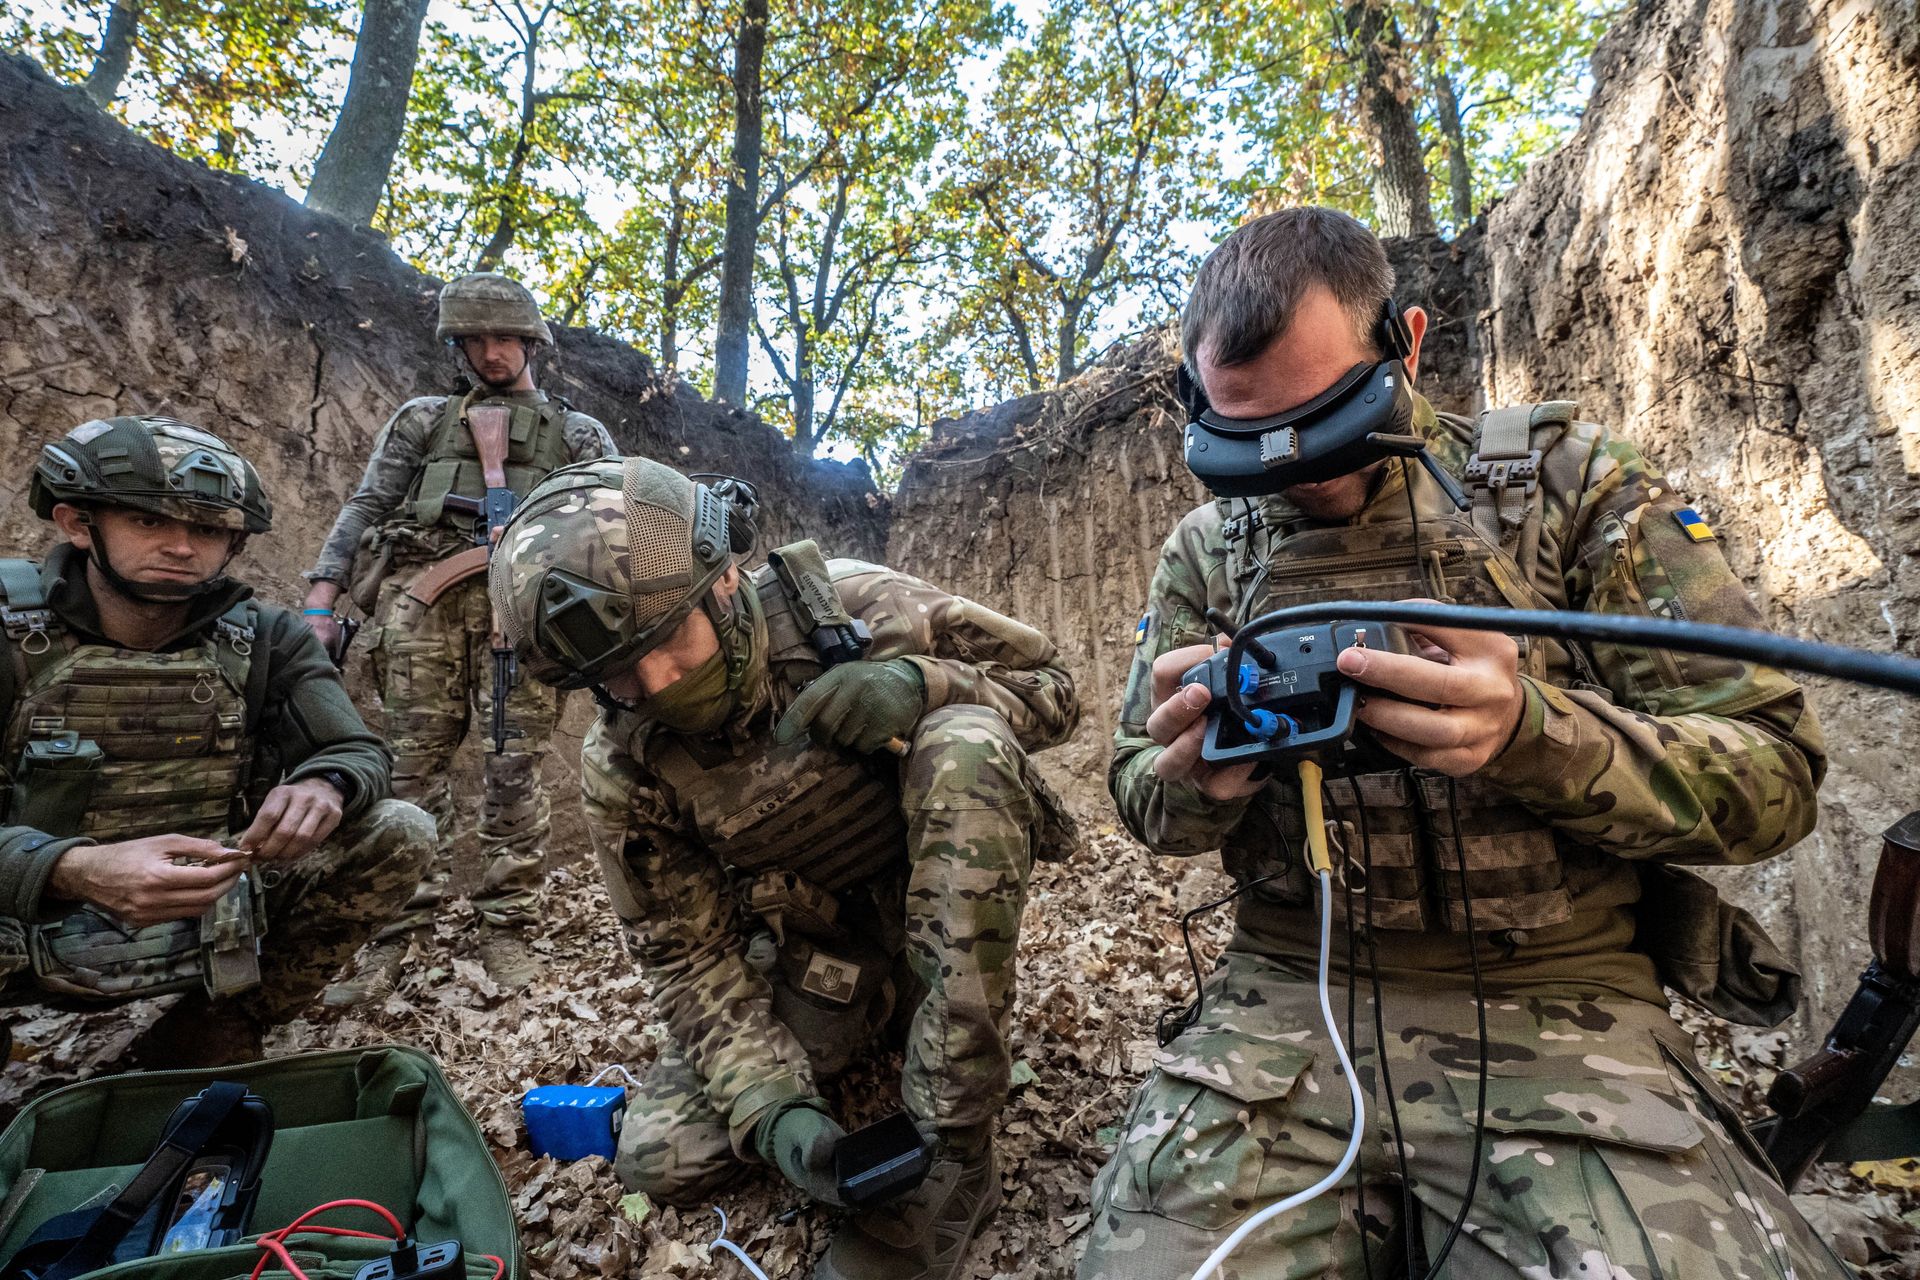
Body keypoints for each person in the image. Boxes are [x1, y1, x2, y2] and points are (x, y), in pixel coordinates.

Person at [1079, 208, 1852, 1279]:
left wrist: (1534, 733)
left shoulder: (1571, 488)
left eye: (1323, 419)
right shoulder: (1206, 552)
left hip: (1560, 997)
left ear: (1408, 342)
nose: (1293, 467)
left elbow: (1776, 774)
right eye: (1246, 445)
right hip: (1287, 996)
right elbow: (1137, 792)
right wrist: (1193, 780)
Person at [488, 456, 1081, 1280]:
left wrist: (922, 683)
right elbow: (683, 956)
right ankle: (886, 1018)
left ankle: (956, 1146)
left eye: (667, 642)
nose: (655, 683)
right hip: (824, 950)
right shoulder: (626, 763)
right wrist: (774, 1111)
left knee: (965, 746)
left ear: (724, 581)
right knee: (659, 1157)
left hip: (945, 908)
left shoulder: (853, 606)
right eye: (618, 675)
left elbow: (1056, 690)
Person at [0, 415, 434, 1068]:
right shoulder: (10, 631)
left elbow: (357, 750)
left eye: (205, 529)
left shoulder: (264, 638)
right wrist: (72, 870)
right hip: (23, 927)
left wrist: (325, 784)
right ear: (76, 523)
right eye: (149, 522)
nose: (180, 546)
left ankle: (215, 1020)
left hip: (207, 916)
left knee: (399, 828)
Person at [301, 271, 616, 994]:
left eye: (506, 338)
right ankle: (395, 931)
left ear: (533, 342)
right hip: (421, 607)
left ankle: (507, 925)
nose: (492, 353)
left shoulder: (578, 432)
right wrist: (322, 597)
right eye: (475, 340)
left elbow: (608, 532)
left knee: (513, 770)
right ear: (457, 348)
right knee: (409, 769)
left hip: (526, 615)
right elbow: (368, 503)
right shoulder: (423, 420)